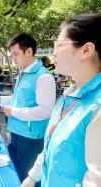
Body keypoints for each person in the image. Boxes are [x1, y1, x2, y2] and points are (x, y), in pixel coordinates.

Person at [21, 13, 101, 187]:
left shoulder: (98, 106)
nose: (53, 51)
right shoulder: (69, 94)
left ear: (86, 50)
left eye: (59, 44)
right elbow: (51, 142)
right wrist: (32, 177)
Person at [0, 33, 56, 185]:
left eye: (16, 54)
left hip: (31, 138)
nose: (13, 58)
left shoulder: (43, 77)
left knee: (29, 178)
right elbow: (20, 99)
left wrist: (13, 111)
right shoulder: (24, 72)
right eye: (11, 54)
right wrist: (3, 99)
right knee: (17, 174)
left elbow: (45, 111)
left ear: (29, 51)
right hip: (16, 132)